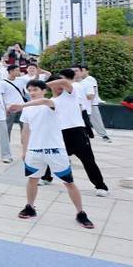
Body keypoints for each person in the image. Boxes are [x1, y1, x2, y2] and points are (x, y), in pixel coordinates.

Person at [11, 79, 95, 229]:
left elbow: (43, 101)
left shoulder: (52, 103)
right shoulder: (27, 109)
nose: (32, 93)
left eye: (35, 89)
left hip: (55, 150)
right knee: (32, 179)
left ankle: (81, 213)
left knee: (68, 182)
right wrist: (24, 150)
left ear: (44, 90)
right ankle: (30, 207)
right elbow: (26, 130)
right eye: (29, 90)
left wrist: (22, 105)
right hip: (35, 151)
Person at [37, 69, 109, 197]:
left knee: (88, 161)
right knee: (52, 156)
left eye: (60, 83)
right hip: (60, 133)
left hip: (77, 132)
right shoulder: (51, 101)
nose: (60, 86)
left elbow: (65, 82)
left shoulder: (71, 93)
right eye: (56, 84)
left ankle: (101, 186)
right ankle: (47, 177)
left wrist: (43, 85)